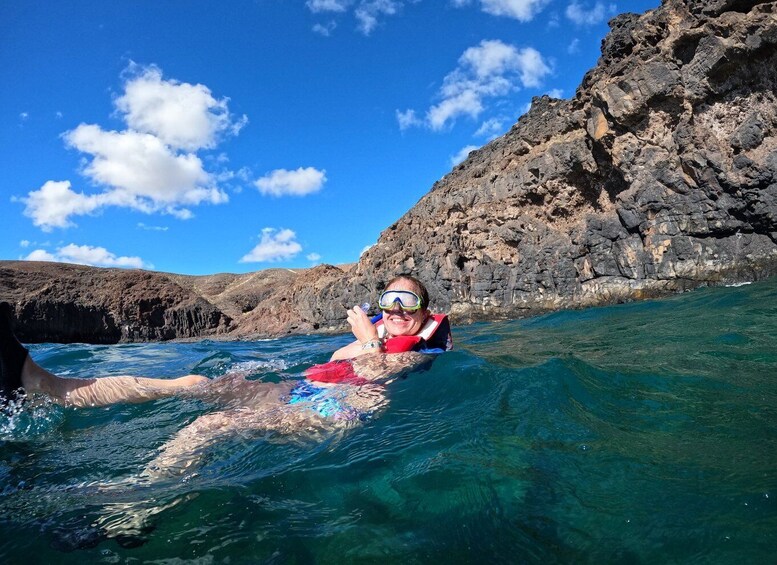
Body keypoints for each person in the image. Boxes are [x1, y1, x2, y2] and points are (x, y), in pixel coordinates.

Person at [0, 274, 452, 475]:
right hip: (298, 391)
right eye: (389, 299)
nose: (396, 310)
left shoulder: (417, 348)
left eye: (407, 303)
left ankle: (135, 504)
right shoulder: (362, 337)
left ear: (423, 312)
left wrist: (369, 342)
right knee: (194, 384)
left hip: (343, 410)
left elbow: (378, 378)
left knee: (209, 427)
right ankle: (45, 384)